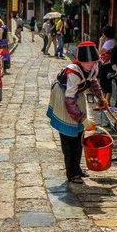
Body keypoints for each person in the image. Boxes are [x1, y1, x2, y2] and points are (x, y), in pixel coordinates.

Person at [47, 41, 107, 184]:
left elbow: (93, 82)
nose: (91, 65)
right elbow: (69, 100)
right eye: (87, 63)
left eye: (93, 62)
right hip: (64, 96)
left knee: (80, 135)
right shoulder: (73, 72)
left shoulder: (94, 67)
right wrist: (82, 118)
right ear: (80, 61)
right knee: (69, 137)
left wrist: (100, 97)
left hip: (78, 94)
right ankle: (72, 173)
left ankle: (77, 168)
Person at [98, 25, 116, 107]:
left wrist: (100, 42)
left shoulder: (109, 42)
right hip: (107, 64)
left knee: (105, 83)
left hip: (107, 65)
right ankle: (105, 102)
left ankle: (107, 102)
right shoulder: (111, 41)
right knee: (105, 83)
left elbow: (100, 52)